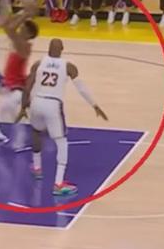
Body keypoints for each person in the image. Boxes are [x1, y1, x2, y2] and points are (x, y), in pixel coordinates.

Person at [21, 39, 108, 195]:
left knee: (36, 131)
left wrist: (23, 106)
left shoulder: (38, 64)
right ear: (62, 49)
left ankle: (37, 167)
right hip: (53, 104)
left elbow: (27, 86)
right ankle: (59, 184)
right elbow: (81, 88)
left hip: (37, 102)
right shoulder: (68, 66)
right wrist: (94, 105)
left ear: (48, 49)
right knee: (61, 141)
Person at [0, 1, 38, 142]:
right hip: (14, 81)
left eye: (23, 28)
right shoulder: (19, 41)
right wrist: (22, 13)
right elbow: (8, 25)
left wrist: (26, 14)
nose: (20, 28)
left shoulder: (22, 45)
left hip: (16, 84)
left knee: (9, 103)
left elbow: (9, 28)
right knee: (10, 102)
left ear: (28, 34)